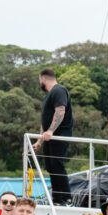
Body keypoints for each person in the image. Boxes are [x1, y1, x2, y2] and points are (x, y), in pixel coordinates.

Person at [33, 68, 74, 205]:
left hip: (59, 135)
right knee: (50, 166)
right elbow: (45, 121)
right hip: (49, 137)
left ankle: (66, 198)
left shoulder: (59, 90)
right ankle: (57, 198)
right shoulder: (49, 95)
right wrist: (39, 141)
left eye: (40, 80)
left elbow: (60, 111)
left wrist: (51, 131)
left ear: (43, 78)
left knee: (57, 164)